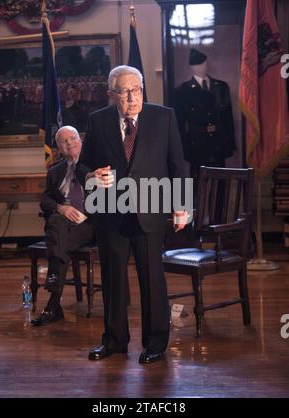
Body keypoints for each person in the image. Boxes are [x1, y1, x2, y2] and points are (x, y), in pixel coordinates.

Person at [77, 65, 188, 364]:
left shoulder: (163, 117)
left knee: (152, 281)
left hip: (149, 211)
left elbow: (178, 164)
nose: (131, 97)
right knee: (113, 281)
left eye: (136, 90)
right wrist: (92, 178)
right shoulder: (97, 121)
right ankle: (114, 341)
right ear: (111, 94)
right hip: (110, 212)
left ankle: (155, 344)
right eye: (124, 92)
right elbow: (82, 165)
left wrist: (182, 205)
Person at [31, 126, 95, 326]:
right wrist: (61, 208)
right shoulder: (55, 171)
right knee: (58, 222)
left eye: (72, 138)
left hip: (89, 224)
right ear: (58, 147)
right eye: (63, 141)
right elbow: (45, 200)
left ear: (81, 140)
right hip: (64, 226)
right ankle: (53, 303)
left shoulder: (93, 166)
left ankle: (53, 293)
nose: (68, 143)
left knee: (57, 236)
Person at [174, 48, 236, 198]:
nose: (201, 67)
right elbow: (180, 123)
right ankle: (198, 220)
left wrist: (230, 145)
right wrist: (183, 149)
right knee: (197, 187)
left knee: (221, 186)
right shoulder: (183, 90)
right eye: (197, 65)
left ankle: (219, 221)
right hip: (197, 144)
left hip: (218, 142)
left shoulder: (221, 87)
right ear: (191, 67)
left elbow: (228, 118)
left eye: (203, 64)